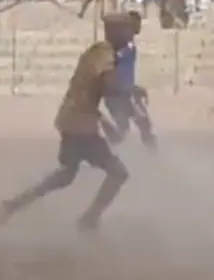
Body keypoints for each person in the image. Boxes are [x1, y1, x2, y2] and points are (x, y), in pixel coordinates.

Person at [1, 14, 134, 230]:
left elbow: (93, 91)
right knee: (118, 173)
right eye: (126, 29)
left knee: (66, 175)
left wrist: (109, 119)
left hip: (75, 119)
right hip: (80, 123)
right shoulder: (104, 53)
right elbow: (109, 87)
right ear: (115, 31)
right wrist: (128, 97)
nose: (130, 35)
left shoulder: (100, 52)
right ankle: (89, 220)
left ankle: (14, 205)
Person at [102, 11, 156, 151]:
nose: (139, 27)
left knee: (125, 128)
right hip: (121, 93)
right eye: (137, 24)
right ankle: (156, 157)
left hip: (123, 92)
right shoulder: (121, 46)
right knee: (142, 124)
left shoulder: (128, 45)